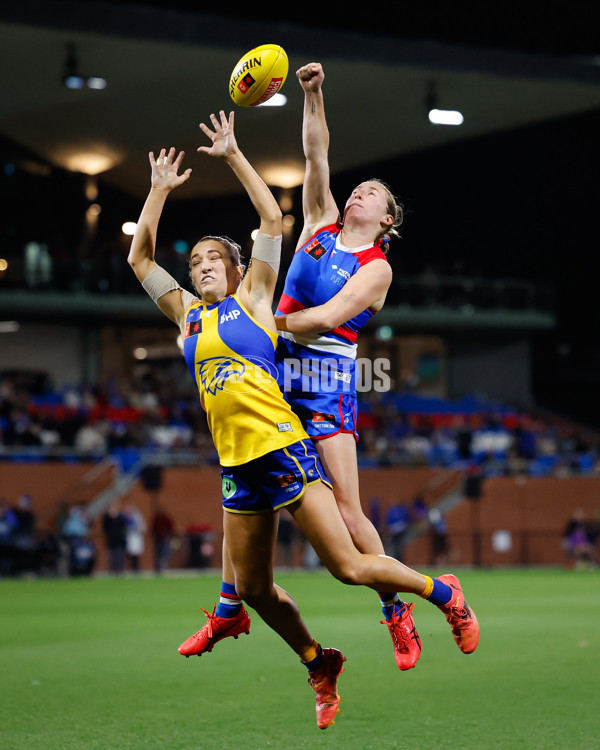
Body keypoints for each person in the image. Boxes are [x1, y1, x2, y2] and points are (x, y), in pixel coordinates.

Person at [129, 110, 479, 730]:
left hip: (319, 385)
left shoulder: (342, 274)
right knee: (252, 565)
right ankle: (257, 623)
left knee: (347, 529)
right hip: (258, 415)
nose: (205, 266)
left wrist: (235, 155)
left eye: (216, 259)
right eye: (198, 261)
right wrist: (312, 98)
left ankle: (407, 604)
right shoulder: (194, 309)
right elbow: (142, 256)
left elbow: (291, 262)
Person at [191, 62, 423, 672]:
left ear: (387, 218)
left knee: (348, 511)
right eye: (359, 189)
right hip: (276, 376)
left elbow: (326, 318)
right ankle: (225, 604)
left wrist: (270, 323)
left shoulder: (377, 267)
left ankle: (395, 610)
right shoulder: (319, 222)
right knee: (241, 485)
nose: (358, 194)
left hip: (324, 382)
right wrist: (313, 93)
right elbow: (315, 152)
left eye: (371, 194)